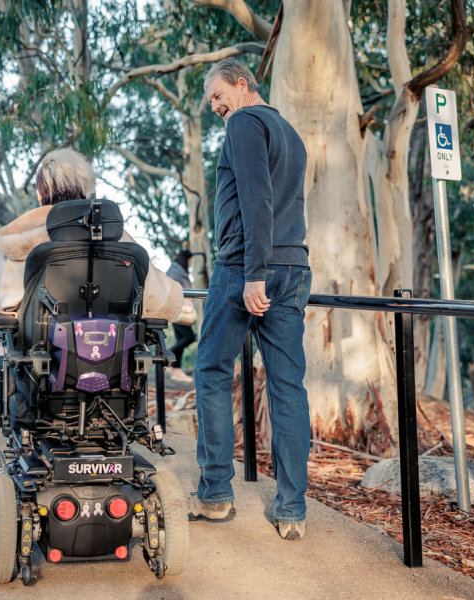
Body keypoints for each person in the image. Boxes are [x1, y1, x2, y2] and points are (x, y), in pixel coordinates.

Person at [188, 58, 312, 542]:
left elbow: (257, 197)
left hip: (247, 267)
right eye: (213, 102)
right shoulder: (290, 132)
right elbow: (287, 206)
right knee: (287, 386)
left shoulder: (244, 121)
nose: (217, 107)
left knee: (212, 371)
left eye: (219, 95)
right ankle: (292, 510)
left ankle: (216, 495)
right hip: (294, 266)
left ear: (243, 84)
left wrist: (255, 273)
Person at [0, 148, 183, 321]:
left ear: (41, 192)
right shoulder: (114, 233)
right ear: (85, 187)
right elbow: (162, 299)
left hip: (40, 357)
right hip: (114, 353)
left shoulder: (17, 235)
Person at [165, 249, 196, 383]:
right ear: (186, 259)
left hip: (177, 310)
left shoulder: (175, 270)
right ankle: (165, 357)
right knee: (190, 337)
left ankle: (176, 370)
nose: (191, 263)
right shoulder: (177, 272)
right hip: (179, 310)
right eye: (190, 261)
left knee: (181, 339)